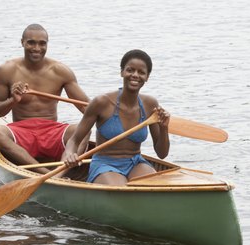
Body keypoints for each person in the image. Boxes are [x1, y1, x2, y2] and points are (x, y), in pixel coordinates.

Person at [0, 23, 90, 174]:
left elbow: (87, 109)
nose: (37, 48)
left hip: (52, 131)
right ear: (22, 42)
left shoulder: (61, 71)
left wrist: (110, 120)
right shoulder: (7, 70)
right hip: (21, 131)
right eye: (31, 42)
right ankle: (45, 173)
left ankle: (59, 174)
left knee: (84, 130)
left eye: (42, 43)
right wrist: (13, 100)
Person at [62, 49, 171, 185]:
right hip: (105, 164)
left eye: (141, 72)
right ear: (122, 72)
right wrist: (70, 154)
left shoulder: (150, 105)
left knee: (156, 185)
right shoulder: (101, 102)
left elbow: (162, 154)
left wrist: (164, 128)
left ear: (147, 77)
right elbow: (74, 140)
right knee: (121, 189)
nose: (135, 75)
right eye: (130, 70)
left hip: (135, 163)